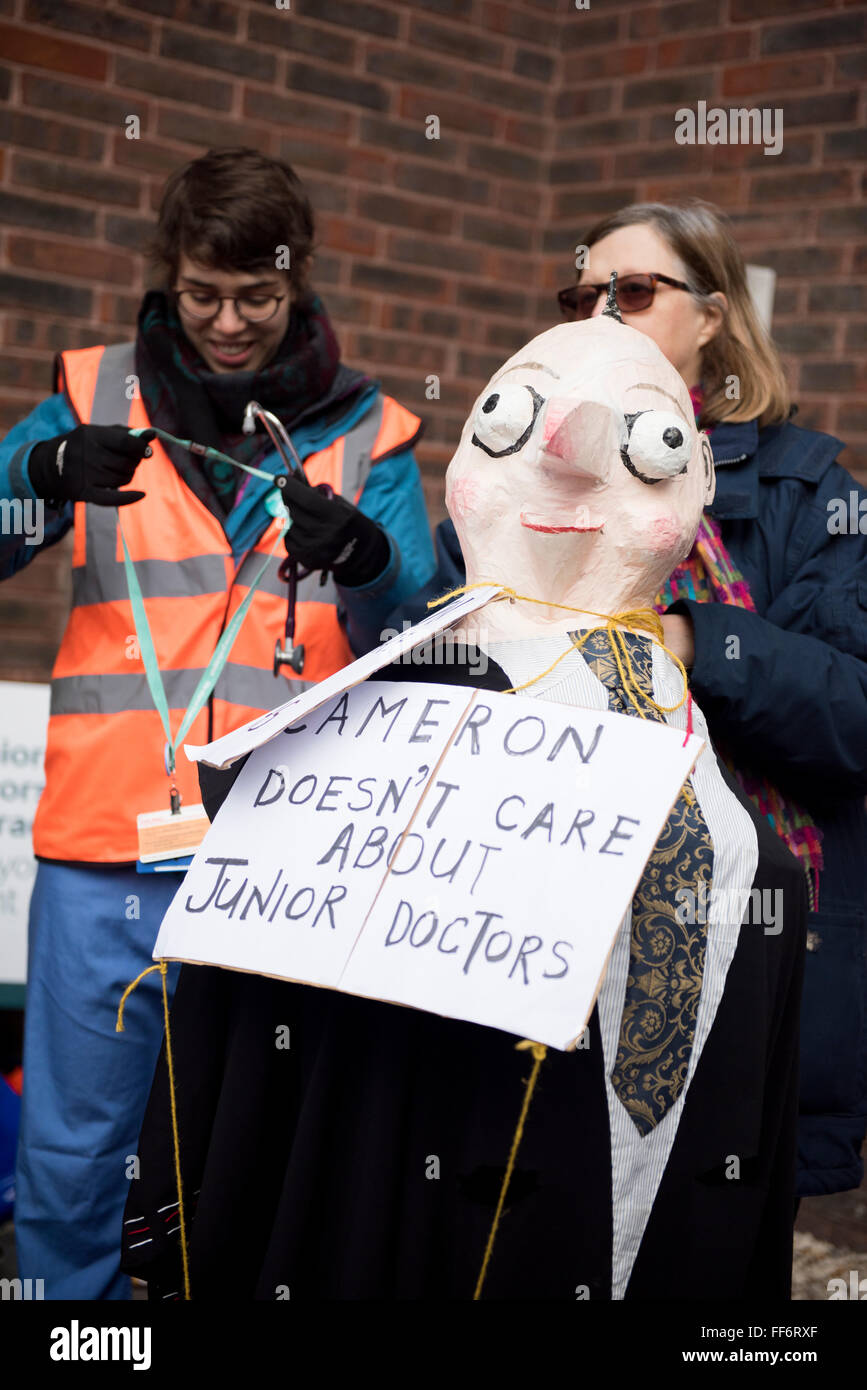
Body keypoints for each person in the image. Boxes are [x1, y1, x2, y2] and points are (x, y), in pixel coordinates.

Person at [120, 313, 806, 1300]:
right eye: (505, 420)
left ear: (699, 476)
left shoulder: (704, 789)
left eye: (646, 439)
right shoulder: (363, 733)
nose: (566, 456)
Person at [0, 146, 435, 1299]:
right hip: (105, 853)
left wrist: (370, 556)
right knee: (74, 1150)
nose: (230, 322)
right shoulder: (93, 391)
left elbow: (425, 627)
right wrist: (41, 467)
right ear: (169, 274)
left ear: (300, 285)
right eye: (203, 295)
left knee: (266, 1152)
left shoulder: (371, 433)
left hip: (286, 856)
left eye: (259, 297)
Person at [396, 198, 867, 1201]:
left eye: (636, 291)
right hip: (533, 947)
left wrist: (697, 640)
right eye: (581, 294)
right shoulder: (509, 480)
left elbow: (854, 718)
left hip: (745, 960)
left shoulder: (805, 495)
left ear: (715, 317)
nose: (600, 313)